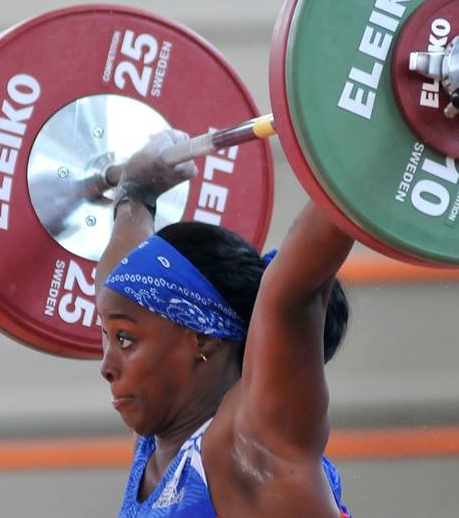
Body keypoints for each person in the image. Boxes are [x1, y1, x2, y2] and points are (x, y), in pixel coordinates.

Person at [96, 130, 354, 517]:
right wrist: (136, 192)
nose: (106, 366)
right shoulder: (158, 442)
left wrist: (373, 145)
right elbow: (117, 280)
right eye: (107, 337)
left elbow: (291, 292)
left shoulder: (252, 442)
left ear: (199, 336)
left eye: (125, 340)